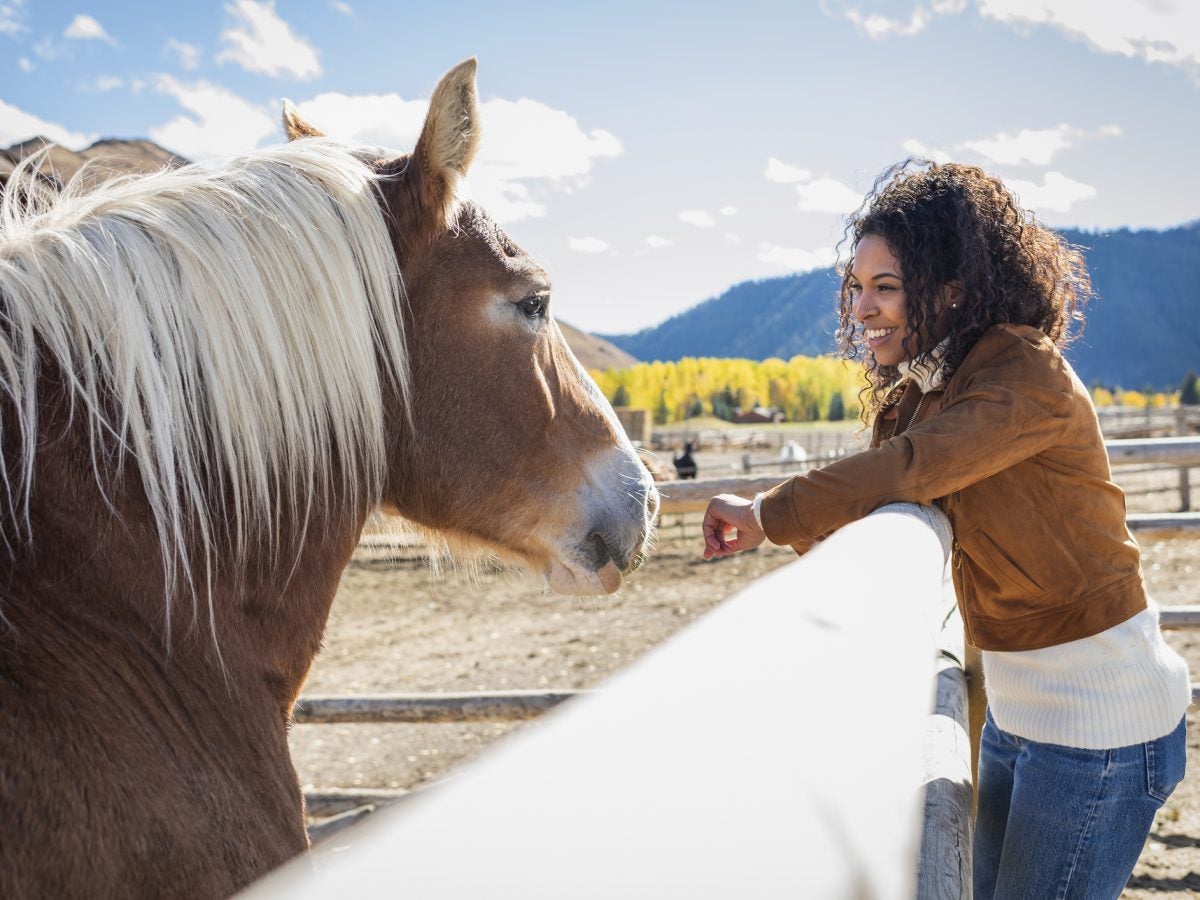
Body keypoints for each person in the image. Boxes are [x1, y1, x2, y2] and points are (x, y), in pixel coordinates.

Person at [701, 160, 1190, 899]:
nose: (862, 309)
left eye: (886, 287)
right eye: (855, 287)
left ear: (950, 289)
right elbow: (872, 500)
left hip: (1100, 727)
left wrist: (766, 515)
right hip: (1019, 716)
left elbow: (911, 469)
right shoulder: (932, 385)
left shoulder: (1024, 374)